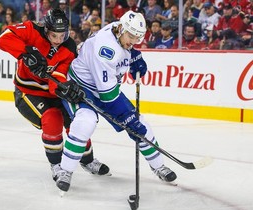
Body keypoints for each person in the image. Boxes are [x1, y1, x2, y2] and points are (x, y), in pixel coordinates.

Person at [32, 10, 177, 193]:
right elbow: (108, 96)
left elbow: (124, 49)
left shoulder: (119, 28)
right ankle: (65, 171)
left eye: (137, 38)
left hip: (104, 87)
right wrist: (128, 121)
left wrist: (133, 56)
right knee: (86, 122)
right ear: (123, 29)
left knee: (141, 125)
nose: (133, 41)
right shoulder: (105, 50)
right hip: (80, 88)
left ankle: (159, 167)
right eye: (131, 37)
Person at [0, 8, 110, 188]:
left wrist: (64, 88)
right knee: (52, 118)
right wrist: (26, 52)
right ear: (45, 29)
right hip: (28, 93)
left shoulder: (69, 46)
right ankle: (57, 164)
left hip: (53, 93)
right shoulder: (31, 29)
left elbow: (59, 75)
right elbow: (3, 38)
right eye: (53, 35)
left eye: (62, 35)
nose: (58, 40)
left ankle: (87, 160)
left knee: (76, 122)